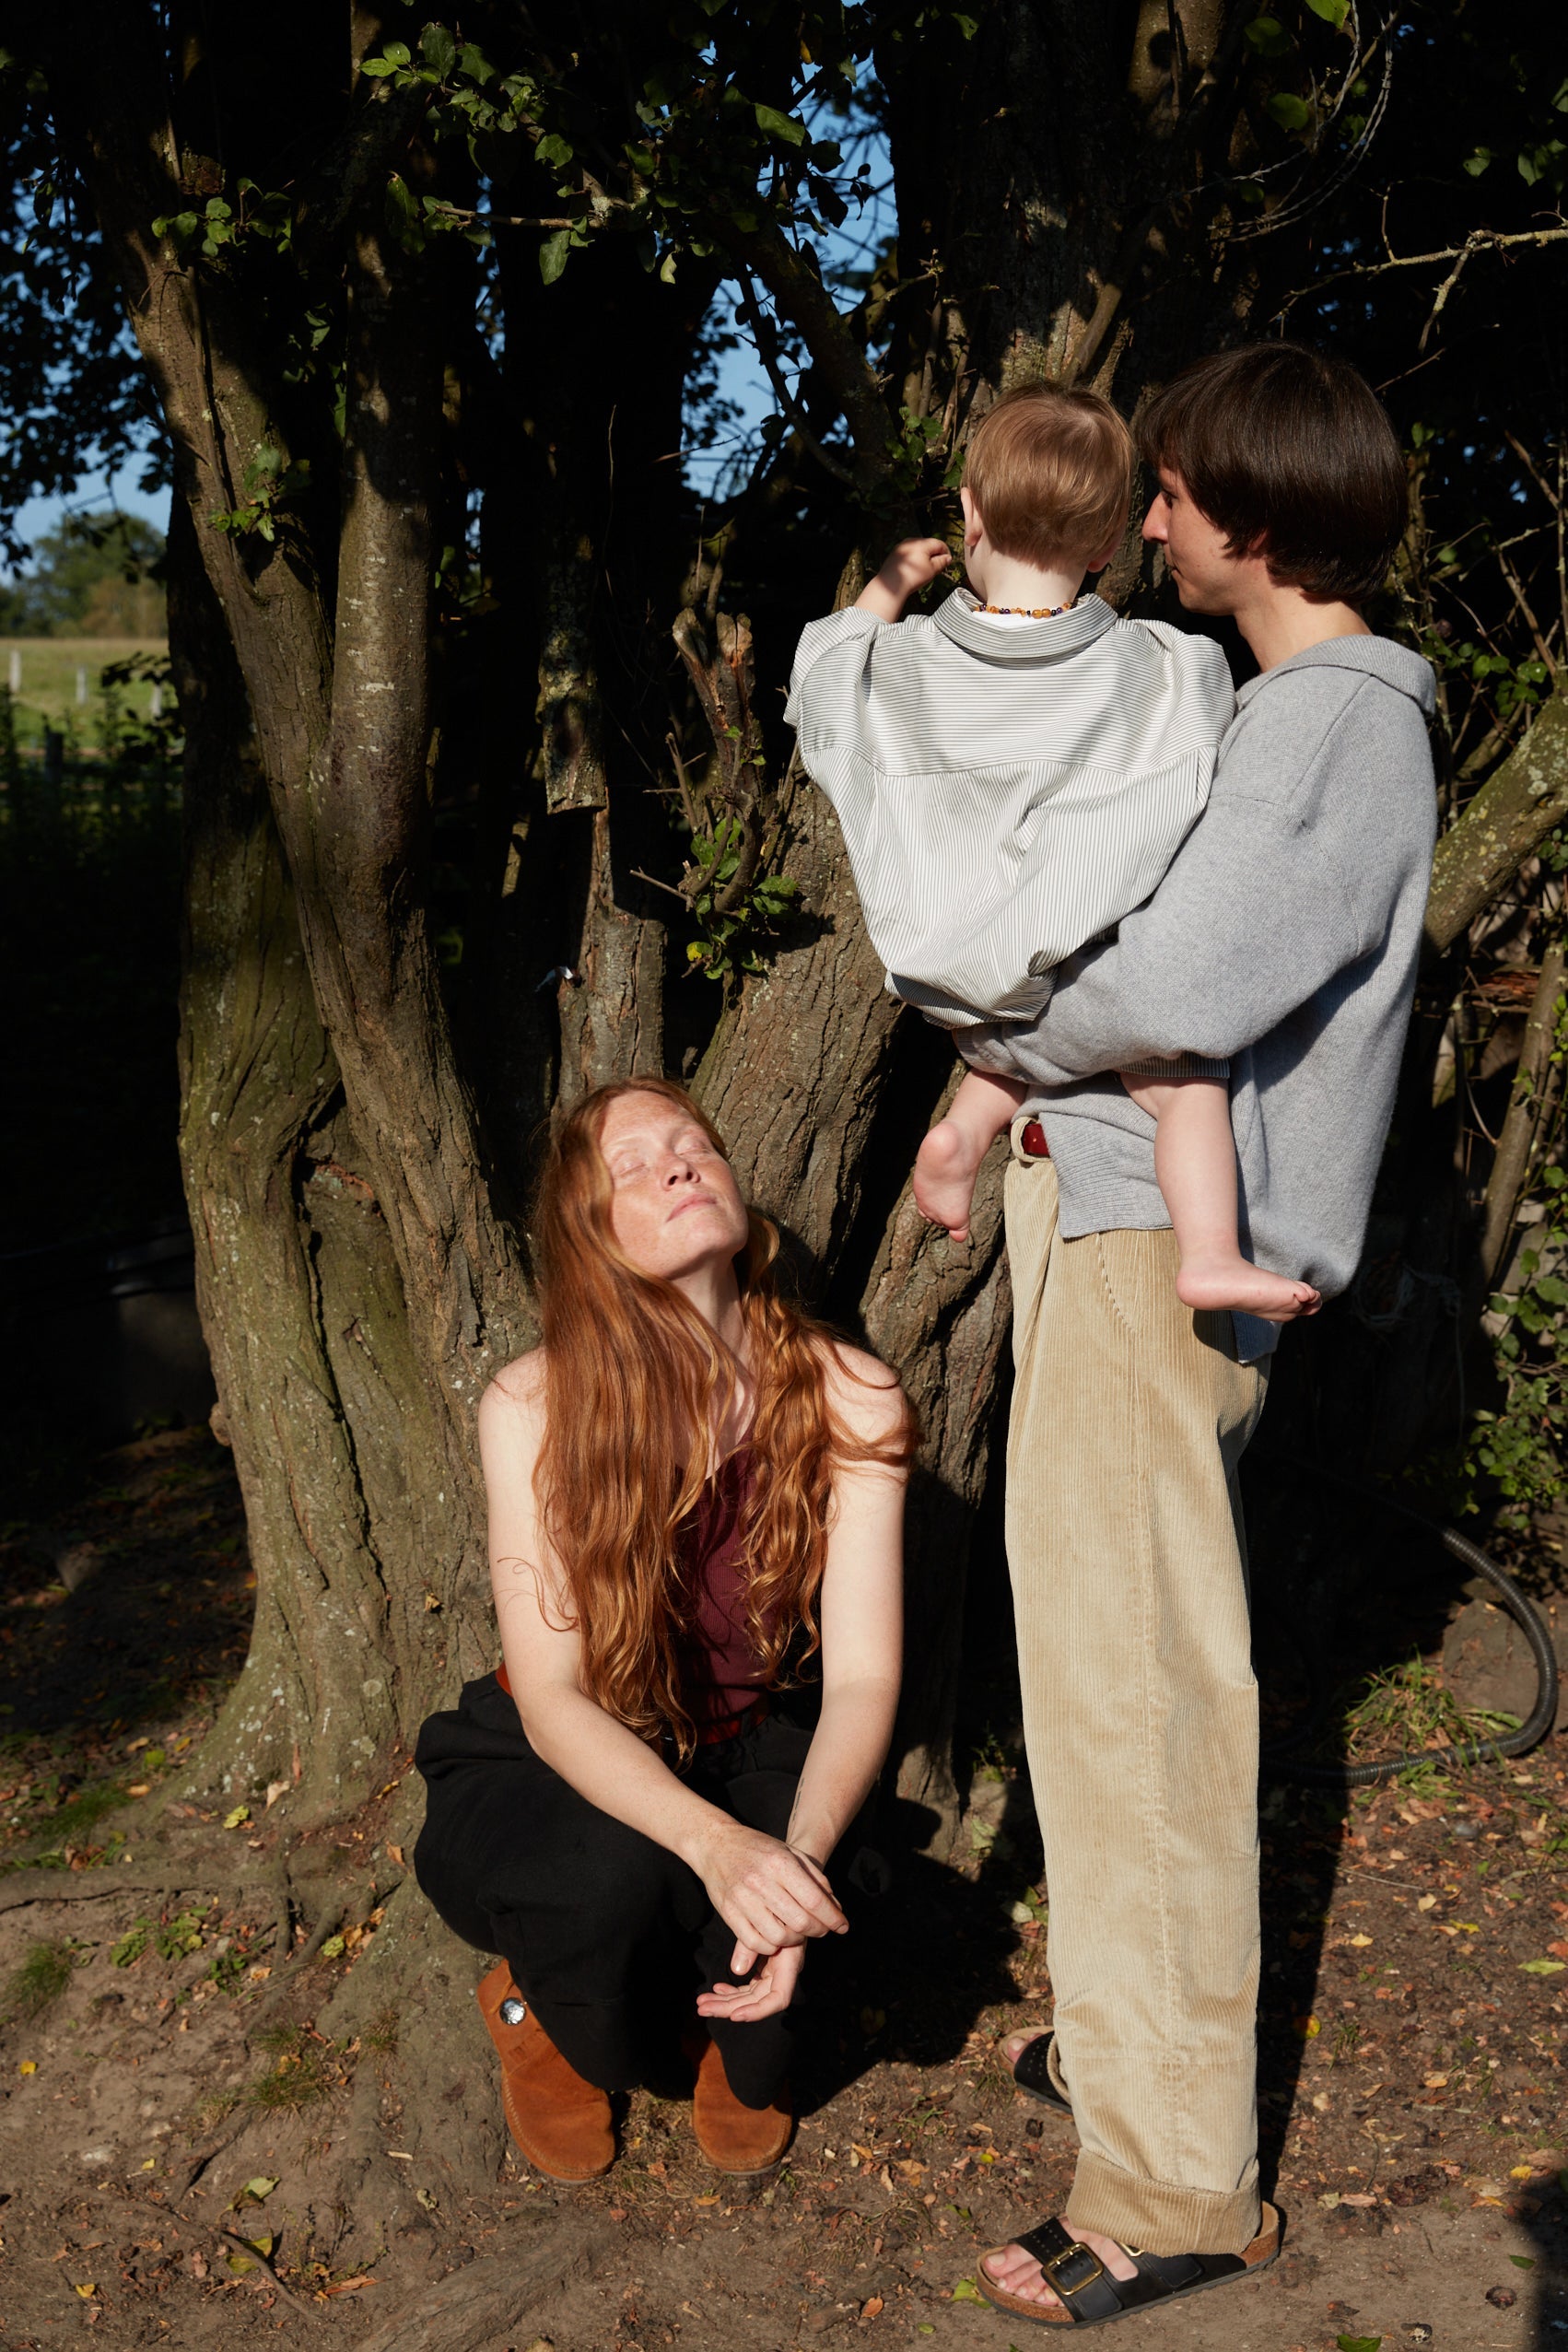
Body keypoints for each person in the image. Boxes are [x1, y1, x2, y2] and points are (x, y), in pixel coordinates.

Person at [965, 343, 1436, 2328]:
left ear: (1251, 515)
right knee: (1097, 1681)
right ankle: (1130, 2037)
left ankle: (1168, 2183)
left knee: (1131, 1704)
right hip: (1121, 1220)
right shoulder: (1275, 709)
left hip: (1158, 1239)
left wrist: (987, 1023)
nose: (1141, 522)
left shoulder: (1335, 718)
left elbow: (1187, 975)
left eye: (1166, 495)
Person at [413, 1079, 911, 2185]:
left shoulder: (852, 1396)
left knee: (808, 1919)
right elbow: (550, 1697)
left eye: (693, 1146)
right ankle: (537, 2011)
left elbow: (867, 1682)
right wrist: (715, 1847)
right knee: (601, 1882)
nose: (680, 1165)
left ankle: (729, 2025)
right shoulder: (533, 1405)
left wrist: (787, 1867)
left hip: (747, 1735)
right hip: (569, 1745)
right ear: (593, 1241)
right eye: (632, 1168)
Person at [786, 383, 1317, 1322]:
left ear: (971, 512)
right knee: (1184, 1083)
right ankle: (1209, 1254)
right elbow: (1201, 776)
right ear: (1111, 547)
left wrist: (889, 586)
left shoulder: (898, 667)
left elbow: (820, 680)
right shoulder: (1161, 667)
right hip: (1069, 973)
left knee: (1015, 1030)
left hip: (951, 987)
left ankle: (963, 1126)